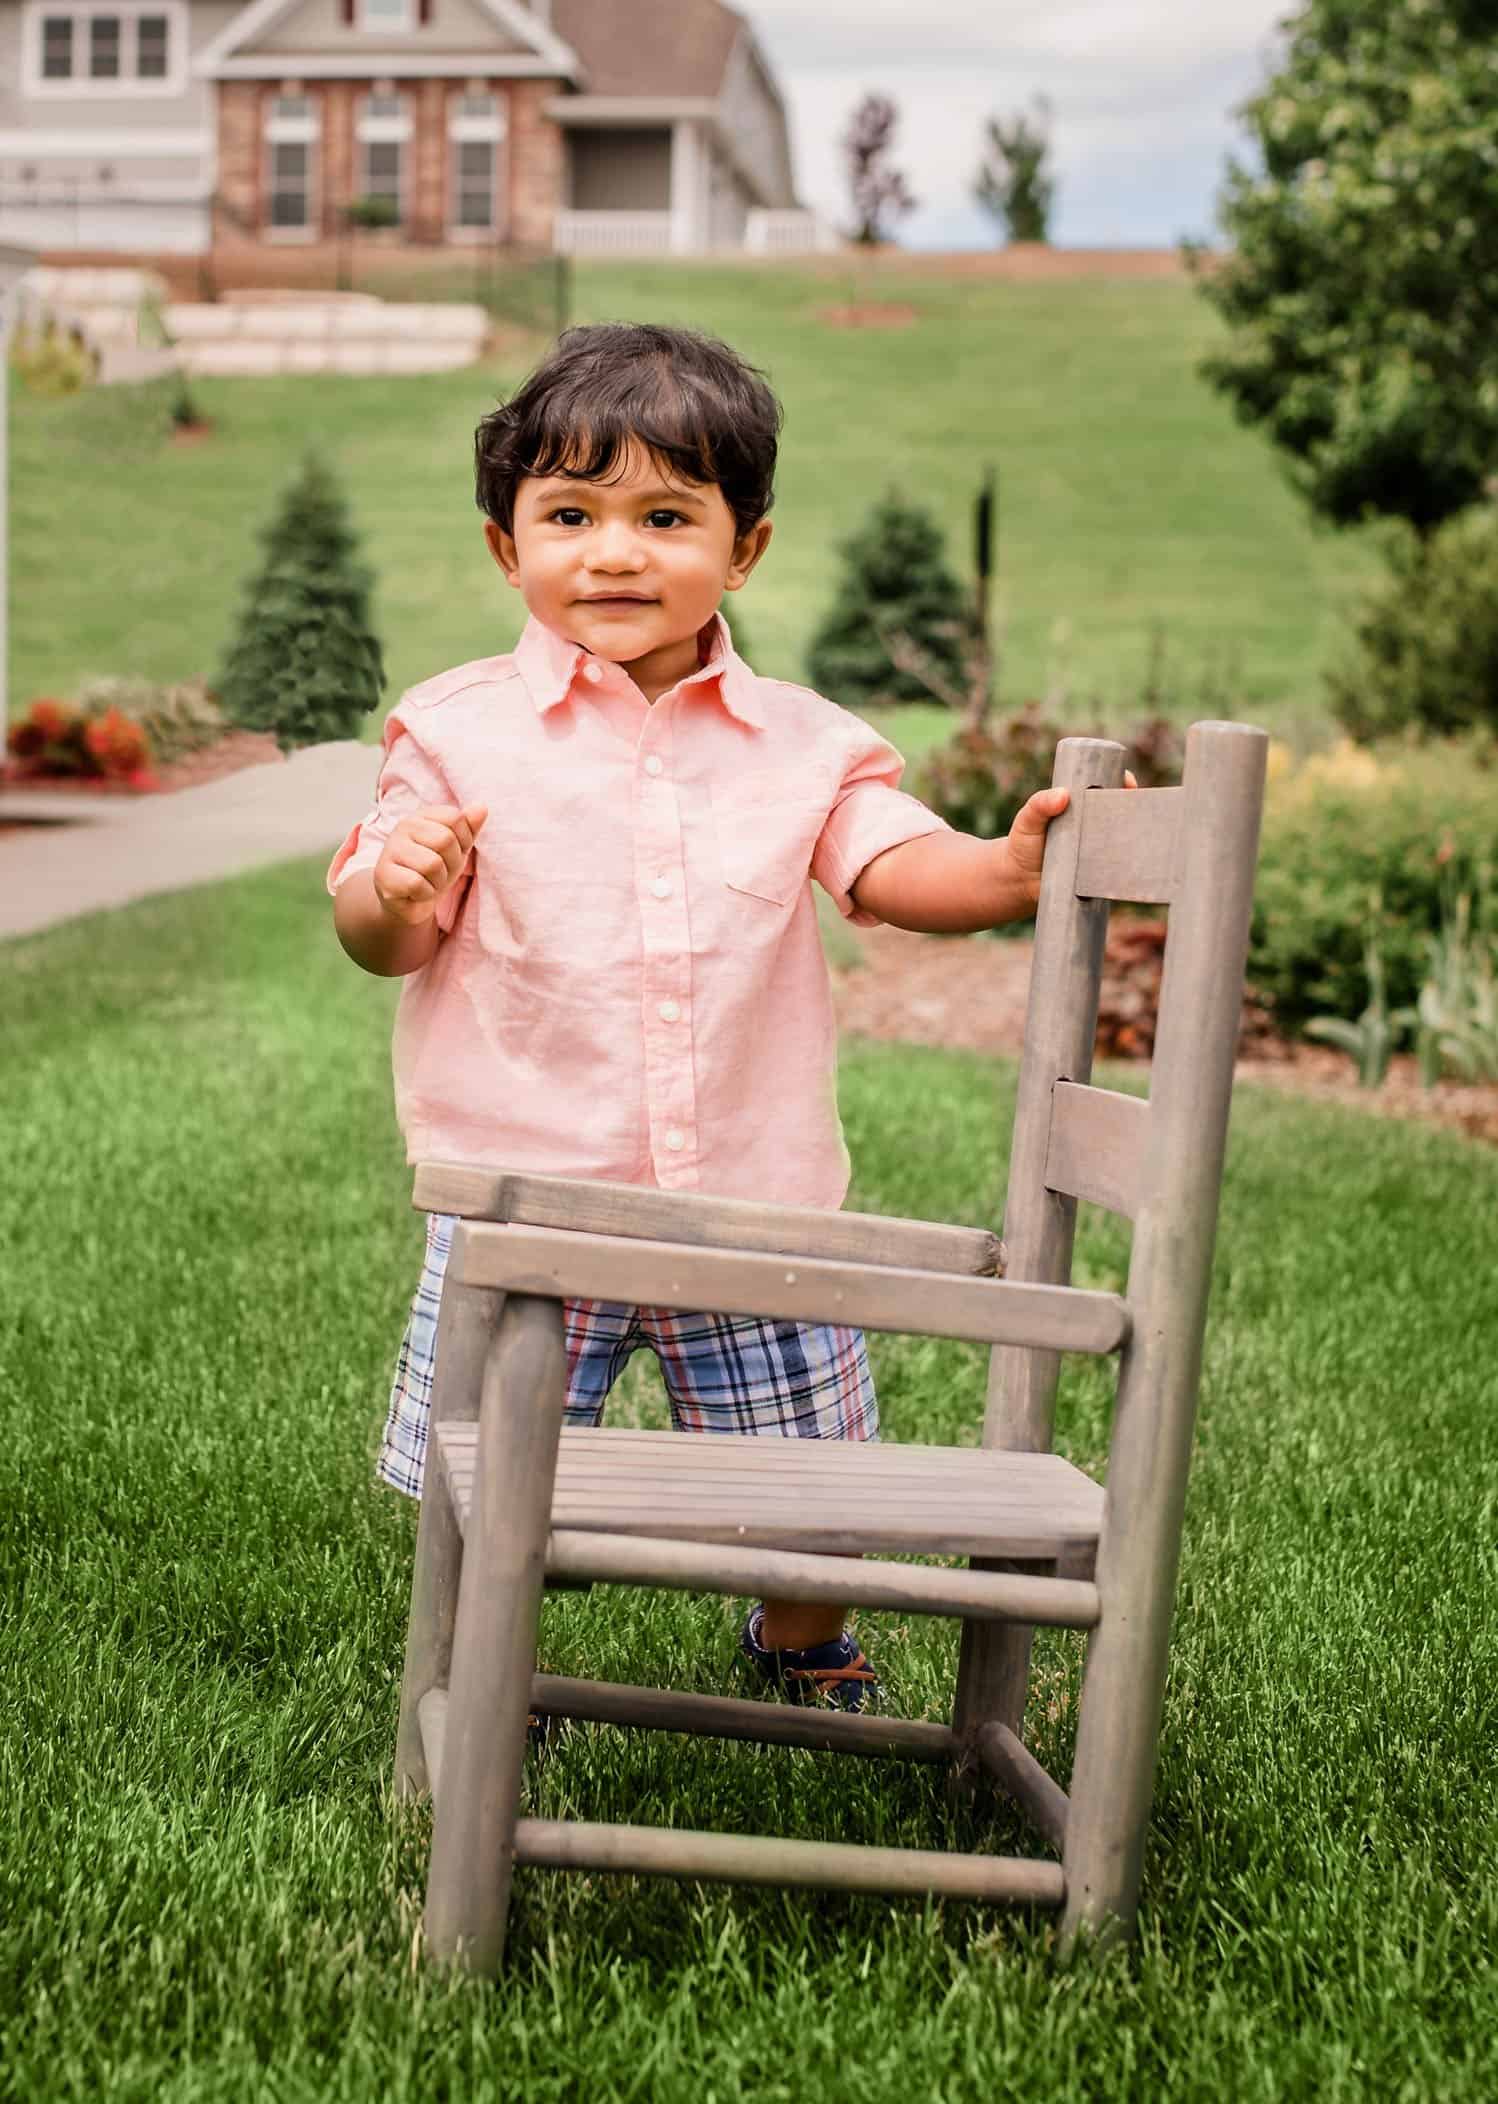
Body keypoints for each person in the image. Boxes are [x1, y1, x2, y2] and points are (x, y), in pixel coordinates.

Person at [328, 321, 1078, 1713]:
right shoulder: (454, 731)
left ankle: (799, 1635)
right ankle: (488, 1654)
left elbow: (890, 865)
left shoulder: (803, 744)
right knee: (492, 1477)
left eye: (665, 516)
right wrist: (394, 883)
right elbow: (383, 936)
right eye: (570, 514)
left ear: (745, 550)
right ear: (507, 547)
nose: (614, 552)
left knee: (813, 1483)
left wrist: (1007, 872)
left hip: (753, 1198)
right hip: (526, 1201)